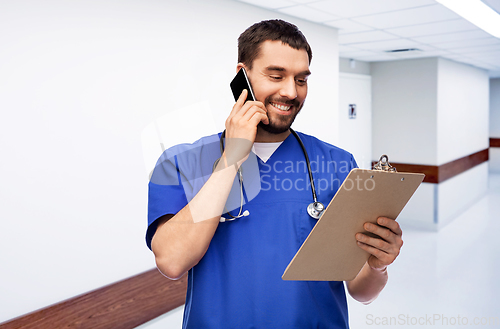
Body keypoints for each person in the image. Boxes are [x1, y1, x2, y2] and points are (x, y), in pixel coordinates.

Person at [147, 19, 403, 328]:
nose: (291, 92)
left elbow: (360, 291)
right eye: (276, 75)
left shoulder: (338, 164)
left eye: (301, 79)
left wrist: (377, 267)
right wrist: (232, 158)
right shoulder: (181, 161)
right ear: (242, 75)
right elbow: (172, 261)